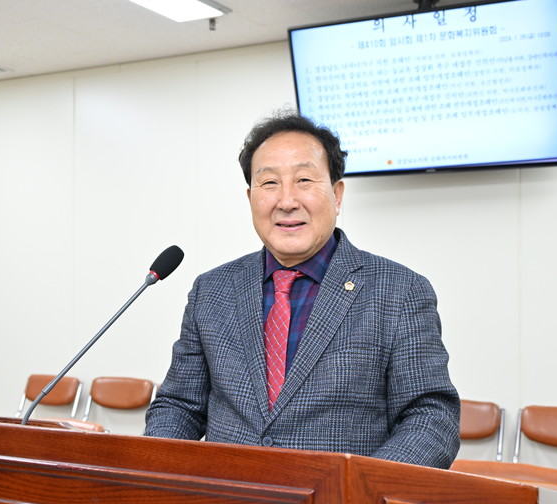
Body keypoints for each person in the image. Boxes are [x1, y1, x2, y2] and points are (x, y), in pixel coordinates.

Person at [145, 111, 460, 468]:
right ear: (250, 198)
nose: (287, 201)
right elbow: (179, 406)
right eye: (269, 183)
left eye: (304, 180)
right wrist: (156, 471)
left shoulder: (400, 292)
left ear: (337, 195)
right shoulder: (212, 290)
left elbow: (431, 418)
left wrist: (360, 488)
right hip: (228, 494)